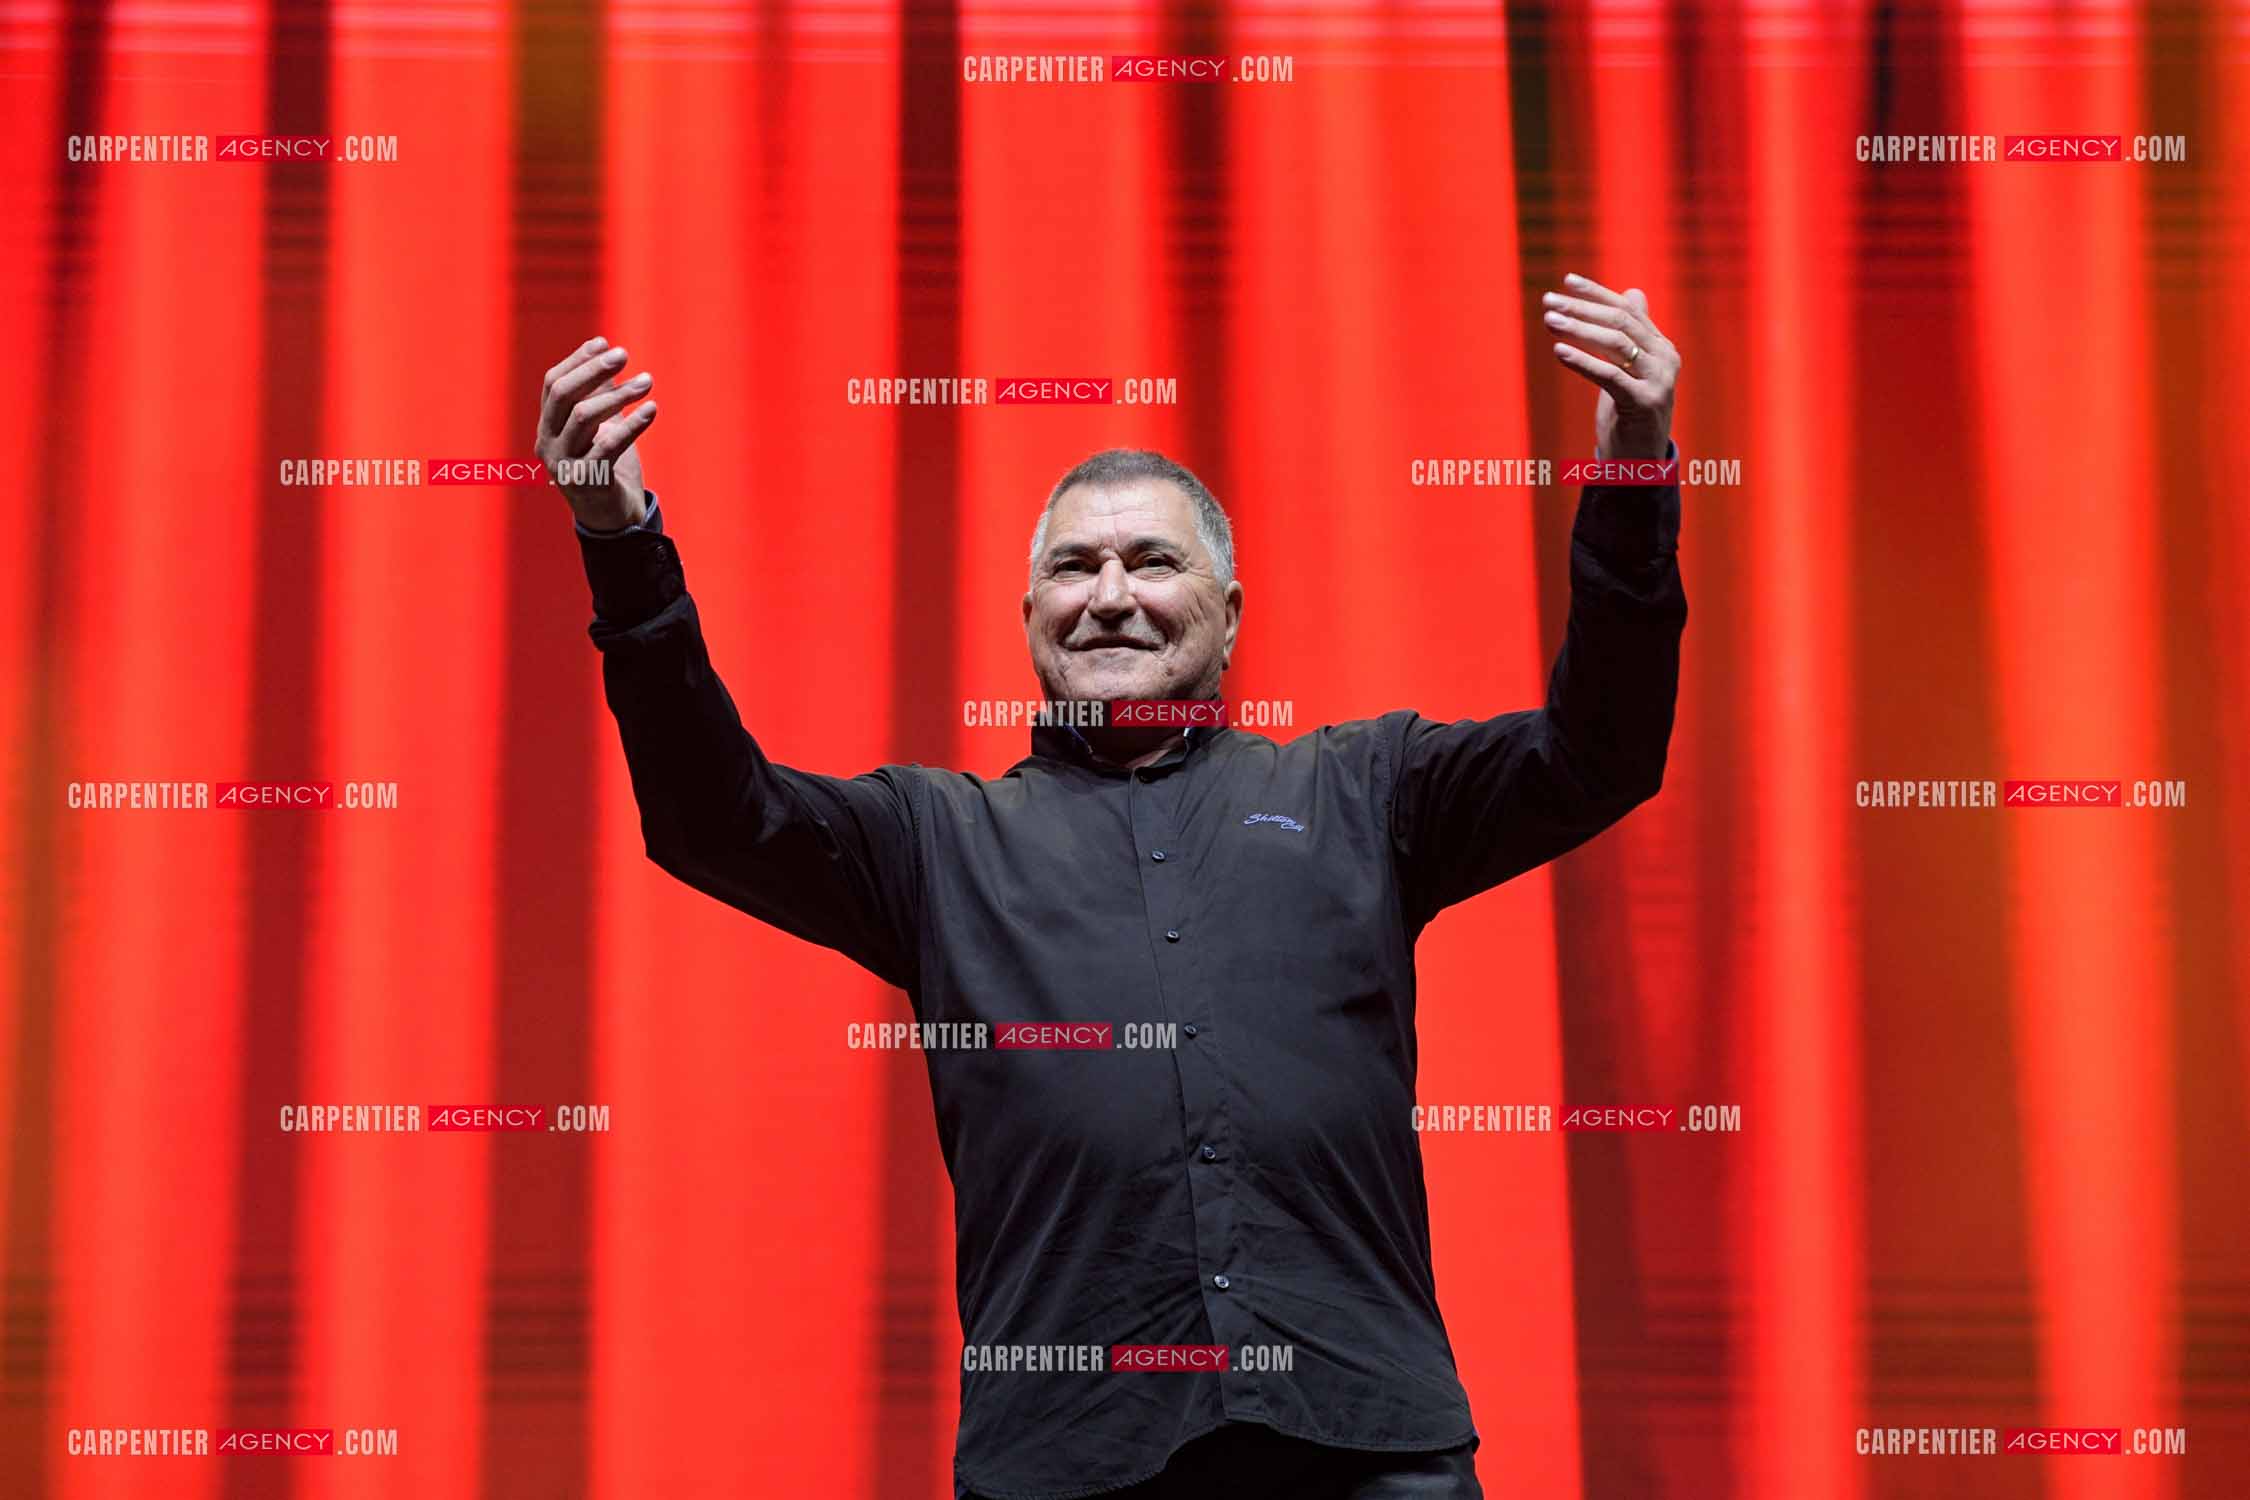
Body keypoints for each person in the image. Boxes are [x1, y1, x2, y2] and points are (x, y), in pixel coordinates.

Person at [534, 273, 1686, 1500]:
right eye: (1076, 569)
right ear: (1030, 613)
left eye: (1152, 562)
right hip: (1070, 1460)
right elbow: (716, 817)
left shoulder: (1368, 790)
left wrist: (1630, 467)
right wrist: (621, 541)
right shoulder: (938, 841)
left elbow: (1597, 753)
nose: (1113, 594)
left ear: (1228, 614)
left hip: (1368, 1441)